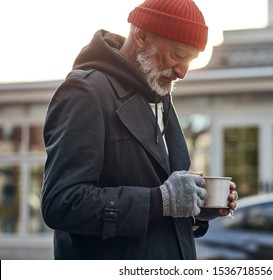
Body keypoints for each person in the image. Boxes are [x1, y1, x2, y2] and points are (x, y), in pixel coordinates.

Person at [41, 0, 238, 260]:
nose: (183, 72)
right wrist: (161, 200)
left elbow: (160, 208)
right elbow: (62, 204)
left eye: (191, 60)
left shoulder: (159, 97)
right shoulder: (85, 92)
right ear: (142, 37)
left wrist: (195, 208)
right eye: (178, 55)